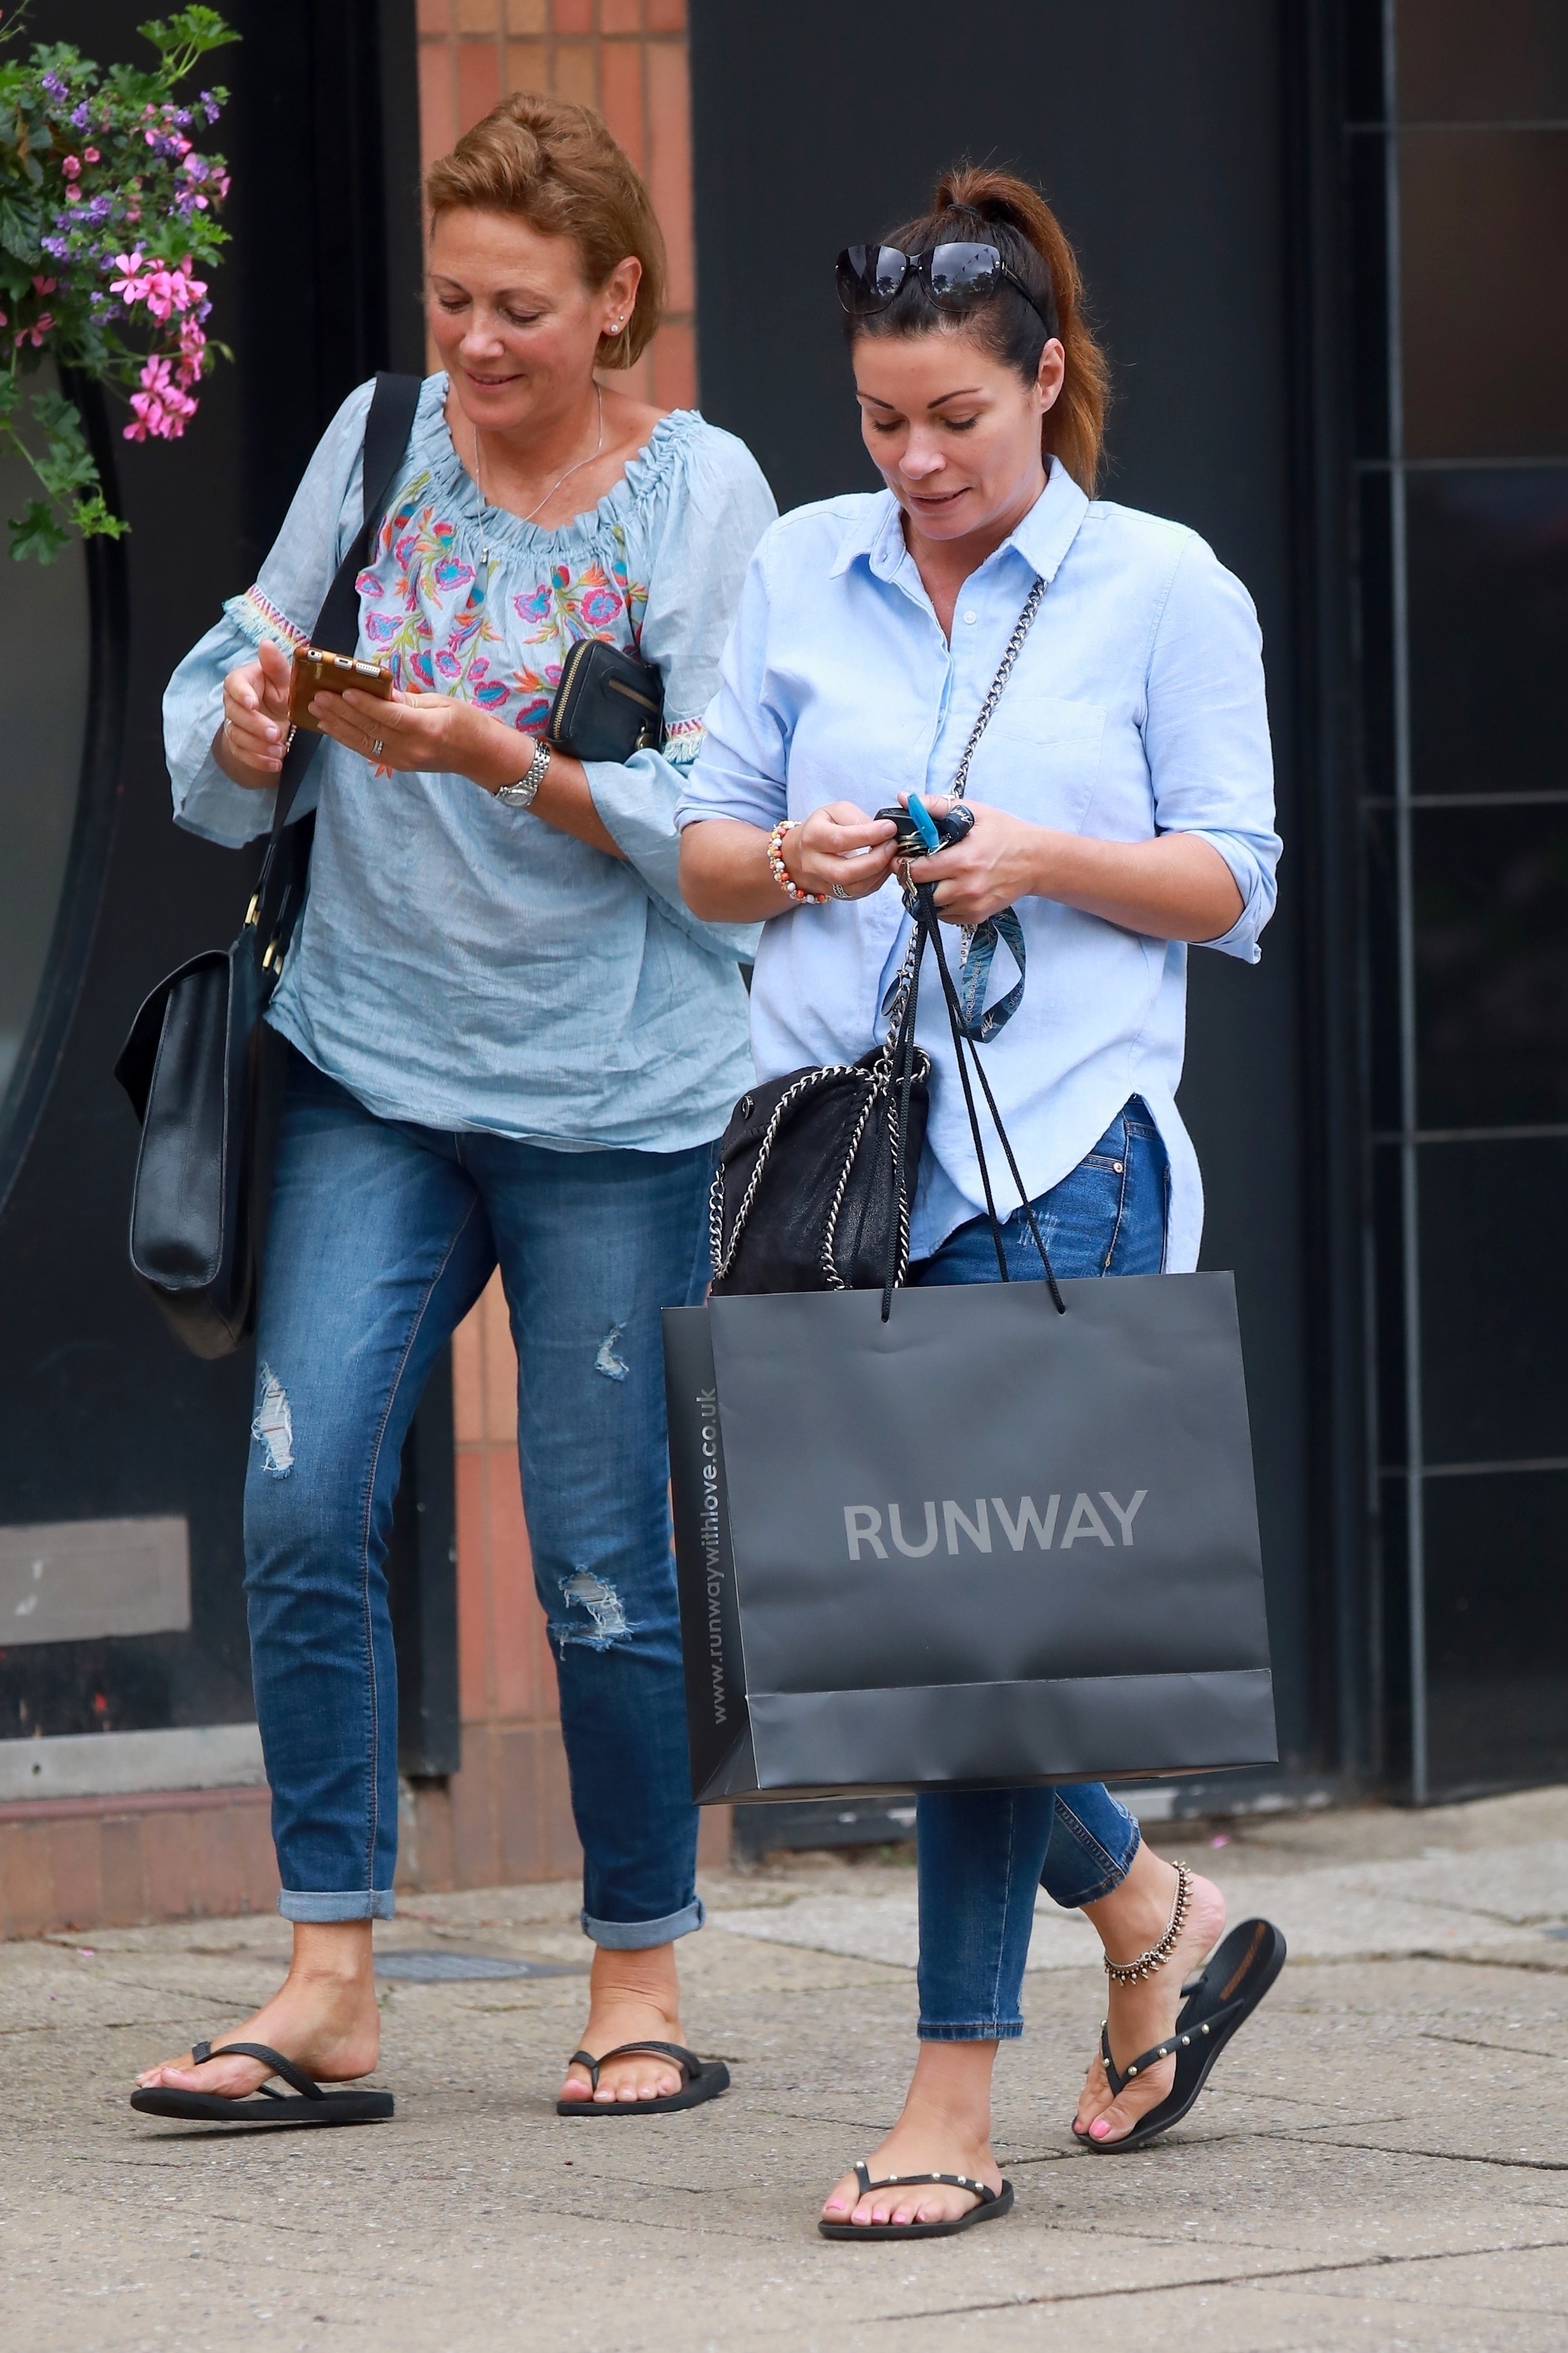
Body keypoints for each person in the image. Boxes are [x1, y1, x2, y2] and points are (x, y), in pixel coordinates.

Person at [135, 93, 774, 2122]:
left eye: (522, 308)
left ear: (619, 301)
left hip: (616, 1099)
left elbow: (731, 821)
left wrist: (506, 760)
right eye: (452, 301)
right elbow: (234, 683)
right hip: (371, 1069)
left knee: (600, 1562)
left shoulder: (700, 495)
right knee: (302, 1497)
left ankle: (636, 1974)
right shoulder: (378, 436)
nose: (478, 343)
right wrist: (250, 715)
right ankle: (330, 1977)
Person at [677, 165, 1282, 2231]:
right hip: (830, 1161)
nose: (917, 461)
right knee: (891, 1617)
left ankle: (949, 2098)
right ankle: (1157, 1912)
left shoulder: (1164, 586)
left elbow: (1234, 877)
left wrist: (1034, 856)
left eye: (955, 417)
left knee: (972, 1637)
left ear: (1045, 379)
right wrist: (803, 858)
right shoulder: (803, 564)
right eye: (881, 419)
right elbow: (704, 851)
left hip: (1059, 1148)